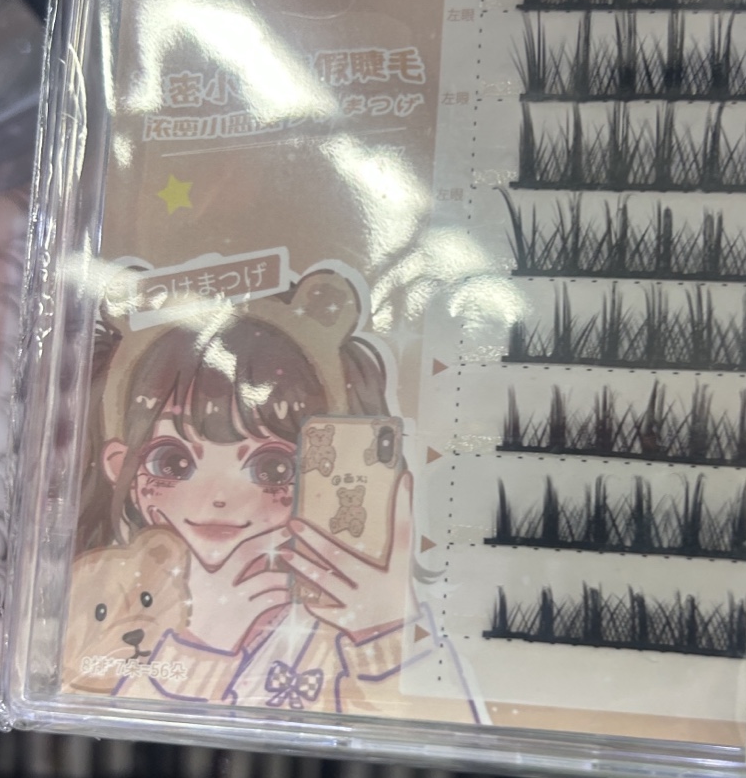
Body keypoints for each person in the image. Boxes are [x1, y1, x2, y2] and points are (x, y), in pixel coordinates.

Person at [69, 267, 476, 721]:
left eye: (273, 468)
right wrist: (203, 644)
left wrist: (383, 630)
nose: (220, 496)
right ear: (118, 465)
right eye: (173, 463)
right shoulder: (112, 597)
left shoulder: (333, 622)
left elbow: (447, 735)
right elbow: (93, 717)